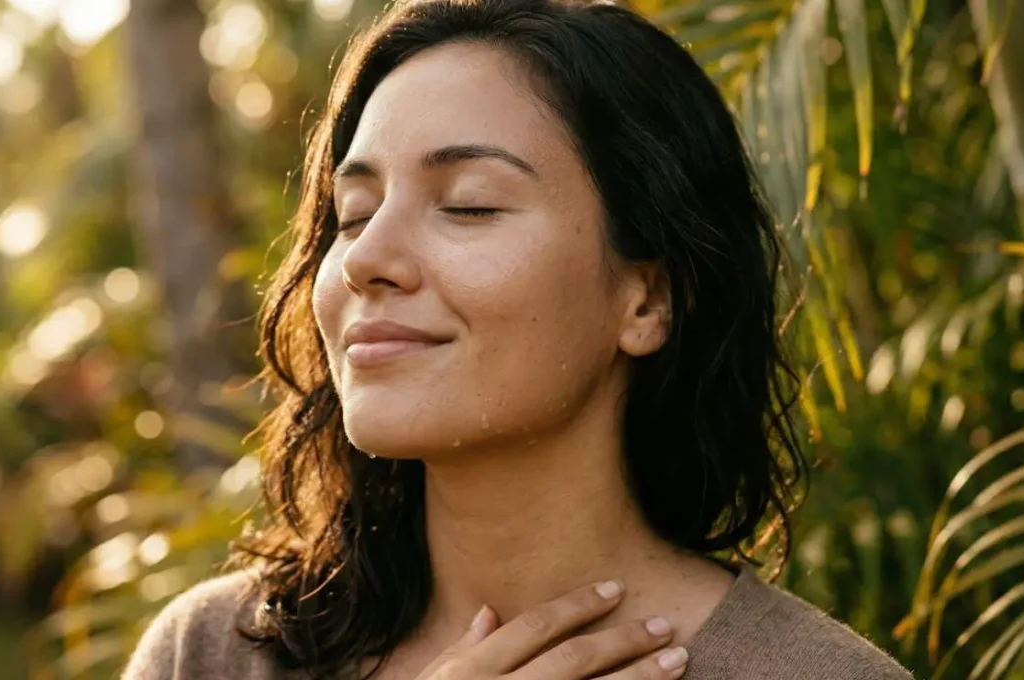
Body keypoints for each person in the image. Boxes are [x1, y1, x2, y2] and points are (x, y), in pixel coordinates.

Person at [122, 0, 915, 677]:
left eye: (468, 205)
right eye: (354, 214)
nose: (364, 259)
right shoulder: (215, 655)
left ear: (648, 298)